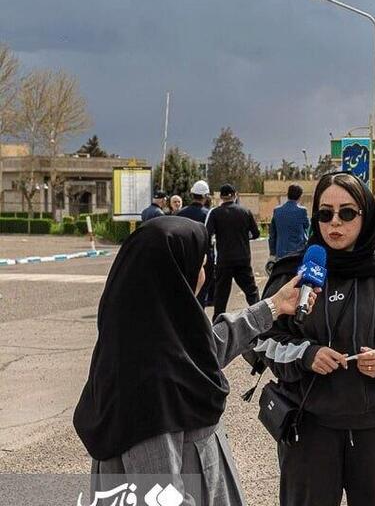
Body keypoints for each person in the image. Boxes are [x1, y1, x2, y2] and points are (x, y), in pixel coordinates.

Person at [74, 216, 313, 506]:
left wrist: (274, 306)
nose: (204, 273)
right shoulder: (150, 382)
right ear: (174, 274)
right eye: (200, 264)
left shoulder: (150, 336)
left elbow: (204, 351)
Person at [255, 171, 375, 506]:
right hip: (310, 426)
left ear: (366, 214)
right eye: (325, 213)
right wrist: (306, 354)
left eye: (347, 213)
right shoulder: (292, 275)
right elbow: (262, 342)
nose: (335, 223)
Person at [206, 184, 261, 314]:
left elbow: (208, 233)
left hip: (224, 260)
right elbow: (256, 234)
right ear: (235, 195)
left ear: (221, 196)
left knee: (221, 294)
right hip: (243, 259)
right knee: (251, 292)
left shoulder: (215, 213)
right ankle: (260, 316)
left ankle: (218, 324)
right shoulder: (245, 212)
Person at [178, 180, 214, 306]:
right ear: (205, 196)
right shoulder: (209, 213)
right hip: (203, 256)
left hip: (184, 256)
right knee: (201, 293)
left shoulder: (181, 213)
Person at [269, 184, 310, 262]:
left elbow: (272, 234)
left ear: (287, 195)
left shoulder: (277, 210)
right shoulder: (302, 211)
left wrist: (272, 253)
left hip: (281, 253)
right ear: (300, 196)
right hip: (298, 253)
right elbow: (307, 226)